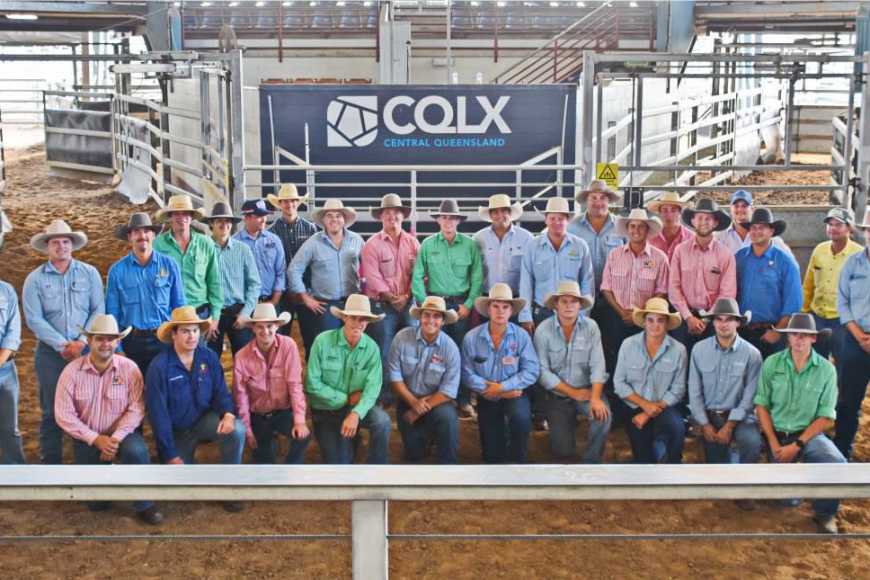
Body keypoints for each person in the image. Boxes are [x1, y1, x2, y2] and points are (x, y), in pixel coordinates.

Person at [54, 315, 163, 525]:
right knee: (97, 504)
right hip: (87, 437)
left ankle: (145, 504)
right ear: (89, 341)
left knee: (137, 451)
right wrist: (96, 439)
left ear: (117, 341)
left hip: (122, 435)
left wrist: (114, 439)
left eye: (110, 339)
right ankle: (107, 478)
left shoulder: (130, 369)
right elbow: (64, 414)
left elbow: (137, 409)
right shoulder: (71, 372)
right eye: (99, 339)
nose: (105, 344)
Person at [145, 306, 246, 511]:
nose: (191, 336)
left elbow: (220, 392)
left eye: (195, 330)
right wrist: (170, 454)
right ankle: (171, 459)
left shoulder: (209, 357)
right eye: (185, 331)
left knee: (237, 429)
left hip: (202, 421)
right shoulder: (159, 367)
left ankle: (229, 487)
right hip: (176, 431)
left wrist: (227, 414)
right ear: (173, 334)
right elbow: (158, 416)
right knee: (180, 490)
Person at [755, 313, 846, 534]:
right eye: (794, 334)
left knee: (836, 462)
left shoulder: (826, 370)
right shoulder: (772, 363)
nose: (799, 339)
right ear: (788, 337)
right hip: (778, 436)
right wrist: (773, 443)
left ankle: (825, 513)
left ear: (814, 338)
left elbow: (826, 417)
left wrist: (798, 445)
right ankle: (801, 483)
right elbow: (762, 406)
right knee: (788, 500)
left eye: (805, 335)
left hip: (809, 434)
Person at [23, 220, 103, 464]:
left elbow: (98, 309)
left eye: (65, 241)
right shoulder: (34, 279)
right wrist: (63, 345)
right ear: (47, 246)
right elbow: (34, 319)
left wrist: (81, 341)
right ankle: (51, 463)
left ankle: (86, 461)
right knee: (51, 410)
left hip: (85, 351)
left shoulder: (90, 273)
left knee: (87, 407)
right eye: (55, 242)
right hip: (50, 354)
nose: (61, 246)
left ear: (72, 244)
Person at [519, 196, 595, 430]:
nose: (556, 223)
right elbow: (526, 281)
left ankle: (570, 410)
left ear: (567, 220)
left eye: (561, 219)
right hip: (542, 313)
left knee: (571, 361)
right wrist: (525, 315)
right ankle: (541, 413)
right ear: (546, 219)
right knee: (541, 362)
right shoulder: (533, 246)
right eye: (552, 218)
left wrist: (584, 316)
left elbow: (587, 282)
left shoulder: (580, 246)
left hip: (572, 314)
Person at [688, 298, 762, 510]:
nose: (723, 324)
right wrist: (704, 424)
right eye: (718, 319)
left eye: (729, 319)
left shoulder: (752, 354)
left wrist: (730, 425)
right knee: (717, 474)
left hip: (741, 417)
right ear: (712, 322)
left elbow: (750, 397)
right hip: (710, 417)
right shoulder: (699, 350)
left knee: (751, 441)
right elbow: (694, 391)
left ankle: (746, 489)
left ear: (738, 322)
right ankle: (730, 464)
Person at [411, 199, 483, 419]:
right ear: (438, 220)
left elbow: (477, 278)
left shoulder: (470, 245)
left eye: (452, 218)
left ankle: (462, 398)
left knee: (461, 352)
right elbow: (417, 276)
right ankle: (435, 396)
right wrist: (425, 305)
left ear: (458, 221)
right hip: (436, 307)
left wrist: (468, 305)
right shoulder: (428, 244)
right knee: (434, 351)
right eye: (444, 217)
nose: (448, 221)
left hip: (460, 306)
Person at [304, 294, 390, 464]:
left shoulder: (371, 348)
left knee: (383, 421)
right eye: (353, 317)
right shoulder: (322, 341)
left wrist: (356, 413)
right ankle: (350, 441)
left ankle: (378, 468)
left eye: (362, 319)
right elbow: (312, 384)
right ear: (344, 317)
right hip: (326, 411)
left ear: (368, 322)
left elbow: (373, 387)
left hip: (354, 408)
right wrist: (346, 399)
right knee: (340, 465)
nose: (357, 323)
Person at [599, 208, 669, 413]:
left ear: (647, 230)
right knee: (615, 360)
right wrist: (621, 312)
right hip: (617, 317)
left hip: (646, 320)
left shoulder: (659, 258)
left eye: (640, 227)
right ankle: (617, 409)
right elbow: (606, 287)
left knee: (643, 361)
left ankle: (640, 407)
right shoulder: (614, 255)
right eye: (632, 226)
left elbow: (662, 290)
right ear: (627, 229)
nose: (636, 230)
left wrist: (641, 313)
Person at [461, 284, 540, 464]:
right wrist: (497, 391)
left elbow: (532, 370)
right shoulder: (471, 338)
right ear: (488, 309)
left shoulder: (521, 336)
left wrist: (503, 388)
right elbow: (466, 373)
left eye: (505, 306)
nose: (500, 311)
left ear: (511, 311)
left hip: (515, 393)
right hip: (486, 394)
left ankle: (517, 455)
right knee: (491, 457)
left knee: (521, 418)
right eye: (495, 306)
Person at [533, 281, 610, 463]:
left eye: (574, 301)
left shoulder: (591, 327)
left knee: (603, 417)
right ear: (556, 305)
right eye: (564, 301)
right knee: (563, 450)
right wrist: (573, 393)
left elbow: (598, 365)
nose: (569, 306)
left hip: (587, 390)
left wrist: (596, 398)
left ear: (580, 305)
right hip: (558, 395)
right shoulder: (543, 330)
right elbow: (542, 372)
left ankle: (591, 462)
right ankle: (565, 426)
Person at [106, 213, 185, 376]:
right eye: (136, 231)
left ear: (153, 235)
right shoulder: (116, 271)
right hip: (131, 342)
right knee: (132, 386)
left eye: (146, 231)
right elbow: (112, 314)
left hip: (164, 339)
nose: (142, 236)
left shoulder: (170, 265)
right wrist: (118, 348)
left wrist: (179, 340)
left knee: (165, 385)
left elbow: (179, 306)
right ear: (130, 236)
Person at [361, 194, 420, 405]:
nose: (392, 216)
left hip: (409, 303)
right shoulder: (372, 245)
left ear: (403, 216)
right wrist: (394, 298)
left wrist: (406, 296)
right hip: (382, 305)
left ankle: (411, 394)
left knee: (413, 349)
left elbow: (418, 274)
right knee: (382, 351)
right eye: (388, 213)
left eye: (396, 212)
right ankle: (382, 394)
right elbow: (372, 278)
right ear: (381, 216)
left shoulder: (413, 243)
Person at [232, 303, 310, 464]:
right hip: (258, 416)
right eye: (260, 327)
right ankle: (270, 442)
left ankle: (290, 469)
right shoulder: (241, 356)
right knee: (264, 463)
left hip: (283, 412)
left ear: (277, 326)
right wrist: (248, 431)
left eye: (269, 326)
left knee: (303, 437)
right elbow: (241, 397)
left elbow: (295, 385)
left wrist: (299, 420)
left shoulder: (288, 346)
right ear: (253, 328)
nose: (265, 331)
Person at [387, 296, 461, 464]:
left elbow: (448, 390)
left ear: (443, 321)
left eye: (437, 316)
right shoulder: (401, 338)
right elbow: (394, 376)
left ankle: (448, 465)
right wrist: (413, 403)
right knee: (414, 455)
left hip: (438, 402)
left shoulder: (450, 348)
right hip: (407, 400)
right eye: (427, 314)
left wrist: (417, 410)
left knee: (447, 418)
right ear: (420, 317)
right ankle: (425, 438)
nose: (431, 320)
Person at [613, 297, 687, 464]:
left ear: (666, 323)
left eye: (660, 320)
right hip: (634, 408)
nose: (655, 325)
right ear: (644, 322)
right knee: (644, 460)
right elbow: (619, 384)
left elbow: (678, 389)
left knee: (677, 426)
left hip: (664, 407)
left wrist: (648, 413)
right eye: (651, 320)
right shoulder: (628, 345)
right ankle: (657, 447)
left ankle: (675, 463)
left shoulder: (679, 350)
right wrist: (645, 406)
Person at [287, 199, 364, 357]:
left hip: (352, 305)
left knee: (353, 348)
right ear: (323, 219)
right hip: (326, 306)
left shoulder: (357, 240)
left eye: (338, 215)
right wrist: (306, 298)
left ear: (344, 219)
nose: (334, 219)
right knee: (329, 350)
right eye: (329, 215)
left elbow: (370, 266)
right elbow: (294, 269)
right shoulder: (313, 243)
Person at [668, 198, 736, 356]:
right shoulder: (680, 251)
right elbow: (674, 287)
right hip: (684, 317)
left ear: (715, 223)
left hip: (713, 320)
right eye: (700, 218)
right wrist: (689, 317)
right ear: (693, 221)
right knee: (681, 359)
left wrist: (706, 319)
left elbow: (727, 294)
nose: (703, 222)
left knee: (710, 360)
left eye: (708, 219)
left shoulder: (725, 255)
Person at [152, 194, 223, 342]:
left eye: (186, 213)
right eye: (176, 213)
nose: (182, 217)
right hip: (169, 315)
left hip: (200, 314)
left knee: (198, 355)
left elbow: (214, 282)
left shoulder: (206, 244)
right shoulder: (157, 245)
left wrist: (215, 318)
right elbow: (152, 283)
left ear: (191, 217)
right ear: (170, 217)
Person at [735, 208, 802, 359]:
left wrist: (777, 331)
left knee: (771, 372)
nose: (756, 231)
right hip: (741, 332)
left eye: (762, 227)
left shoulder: (785, 262)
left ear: (772, 231)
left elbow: (794, 302)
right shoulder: (739, 258)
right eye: (753, 228)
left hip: (770, 332)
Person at [801, 207, 861, 360]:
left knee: (844, 365)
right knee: (815, 363)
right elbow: (808, 285)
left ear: (849, 228)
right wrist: (804, 314)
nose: (833, 228)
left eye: (838, 225)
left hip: (843, 322)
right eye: (830, 224)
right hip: (817, 318)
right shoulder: (819, 250)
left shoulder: (859, 255)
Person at [835, 208, 870, 460]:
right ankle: (841, 453)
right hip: (855, 339)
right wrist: (859, 335)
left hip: (860, 340)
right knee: (848, 401)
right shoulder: (852, 263)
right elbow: (842, 302)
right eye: (869, 230)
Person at [203, 201, 260, 357]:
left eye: (228, 220)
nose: (224, 224)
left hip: (238, 311)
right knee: (209, 357)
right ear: (211, 223)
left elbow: (255, 284)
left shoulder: (243, 250)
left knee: (245, 357)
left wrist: (246, 312)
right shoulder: (202, 249)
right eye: (219, 220)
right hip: (212, 312)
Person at [266, 184, 318, 339]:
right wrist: (285, 289)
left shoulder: (310, 229)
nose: (290, 204)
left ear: (297, 202)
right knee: (280, 337)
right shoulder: (271, 232)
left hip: (306, 292)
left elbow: (314, 263)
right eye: (285, 201)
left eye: (293, 200)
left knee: (310, 337)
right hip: (282, 293)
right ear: (280, 204)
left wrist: (305, 289)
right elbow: (272, 266)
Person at [567, 180, 625, 296]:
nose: (598, 202)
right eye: (593, 198)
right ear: (586, 200)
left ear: (609, 201)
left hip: (615, 295)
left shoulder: (622, 226)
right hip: (581, 295)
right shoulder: (572, 227)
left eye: (603, 198)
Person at [473, 193, 533, 300]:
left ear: (510, 212)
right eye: (495, 211)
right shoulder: (478, 238)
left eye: (503, 210)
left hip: (517, 299)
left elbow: (532, 272)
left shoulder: (526, 238)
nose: (500, 215)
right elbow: (473, 272)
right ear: (490, 215)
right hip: (486, 298)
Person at [715, 189, 796, 260]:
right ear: (731, 209)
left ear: (752, 209)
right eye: (736, 206)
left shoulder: (768, 237)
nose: (740, 209)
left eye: (744, 206)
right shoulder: (719, 236)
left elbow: (789, 260)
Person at [234, 198, 285, 308]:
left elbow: (280, 272)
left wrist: (274, 301)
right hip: (243, 304)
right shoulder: (234, 243)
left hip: (271, 301)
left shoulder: (274, 240)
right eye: (259, 216)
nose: (263, 220)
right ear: (246, 217)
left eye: (264, 215)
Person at [0, 276, 25, 465]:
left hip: (6, 369)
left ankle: (16, 473)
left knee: (10, 429)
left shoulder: (6, 290)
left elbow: (13, 332)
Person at [647, 192, 693, 260]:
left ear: (680, 213)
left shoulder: (692, 238)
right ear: (659, 213)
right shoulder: (649, 237)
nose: (669, 215)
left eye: (673, 210)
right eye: (665, 210)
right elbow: (645, 261)